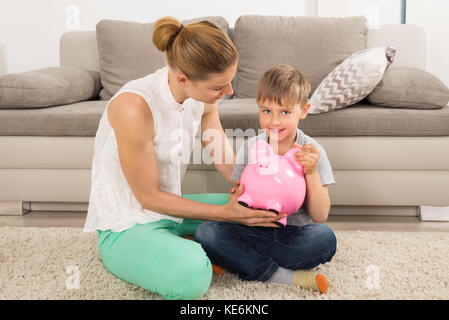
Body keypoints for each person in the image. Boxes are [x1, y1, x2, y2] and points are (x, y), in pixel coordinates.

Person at [83, 17, 286, 300]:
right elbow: (148, 198)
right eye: (219, 87)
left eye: (229, 83)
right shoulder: (134, 107)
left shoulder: (202, 97)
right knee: (192, 275)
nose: (228, 92)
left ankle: (183, 242)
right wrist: (225, 213)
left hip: (172, 211)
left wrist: (251, 186)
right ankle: (181, 249)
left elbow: (221, 151)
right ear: (183, 79)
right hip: (127, 224)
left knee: (266, 213)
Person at [194, 64, 337, 294]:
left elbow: (320, 215)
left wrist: (311, 171)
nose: (274, 121)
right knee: (206, 232)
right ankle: (280, 274)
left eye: (285, 112)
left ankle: (239, 261)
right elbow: (240, 197)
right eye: (266, 111)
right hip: (253, 228)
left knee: (325, 239)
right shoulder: (252, 147)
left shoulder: (312, 151)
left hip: (292, 235)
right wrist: (237, 200)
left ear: (304, 109)